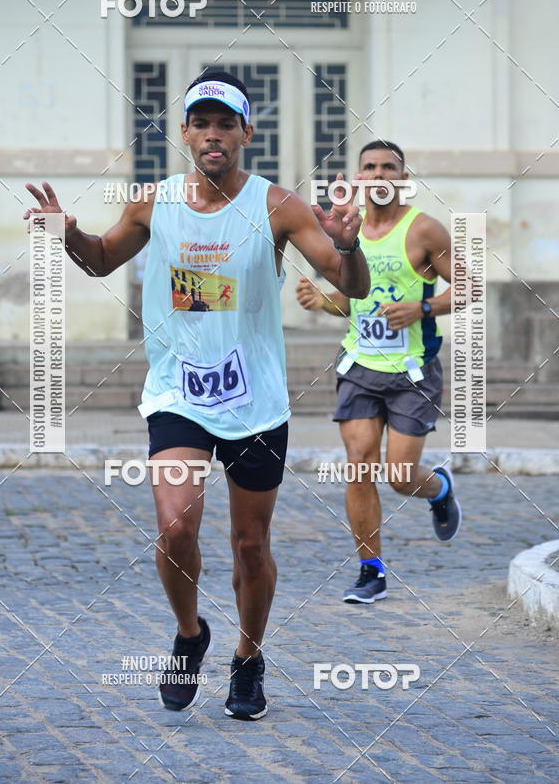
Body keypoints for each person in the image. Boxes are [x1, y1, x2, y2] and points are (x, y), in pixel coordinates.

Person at [23, 69, 369, 720]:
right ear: (184, 131)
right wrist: (66, 234)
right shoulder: (154, 203)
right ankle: (189, 634)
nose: (213, 134)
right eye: (201, 122)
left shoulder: (278, 205)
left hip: (256, 402)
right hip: (178, 394)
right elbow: (100, 259)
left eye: (225, 122)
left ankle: (247, 657)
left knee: (248, 544)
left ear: (246, 131)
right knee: (176, 524)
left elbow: (347, 283)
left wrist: (351, 245)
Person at [296, 140, 461, 605]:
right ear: (358, 177)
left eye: (389, 168)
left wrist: (422, 306)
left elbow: (468, 285)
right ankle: (372, 572)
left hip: (412, 371)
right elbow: (352, 301)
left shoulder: (423, 230)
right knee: (360, 466)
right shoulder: (345, 231)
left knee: (401, 475)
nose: (378, 175)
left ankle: (440, 488)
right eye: (369, 168)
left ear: (403, 177)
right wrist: (323, 302)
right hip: (359, 367)